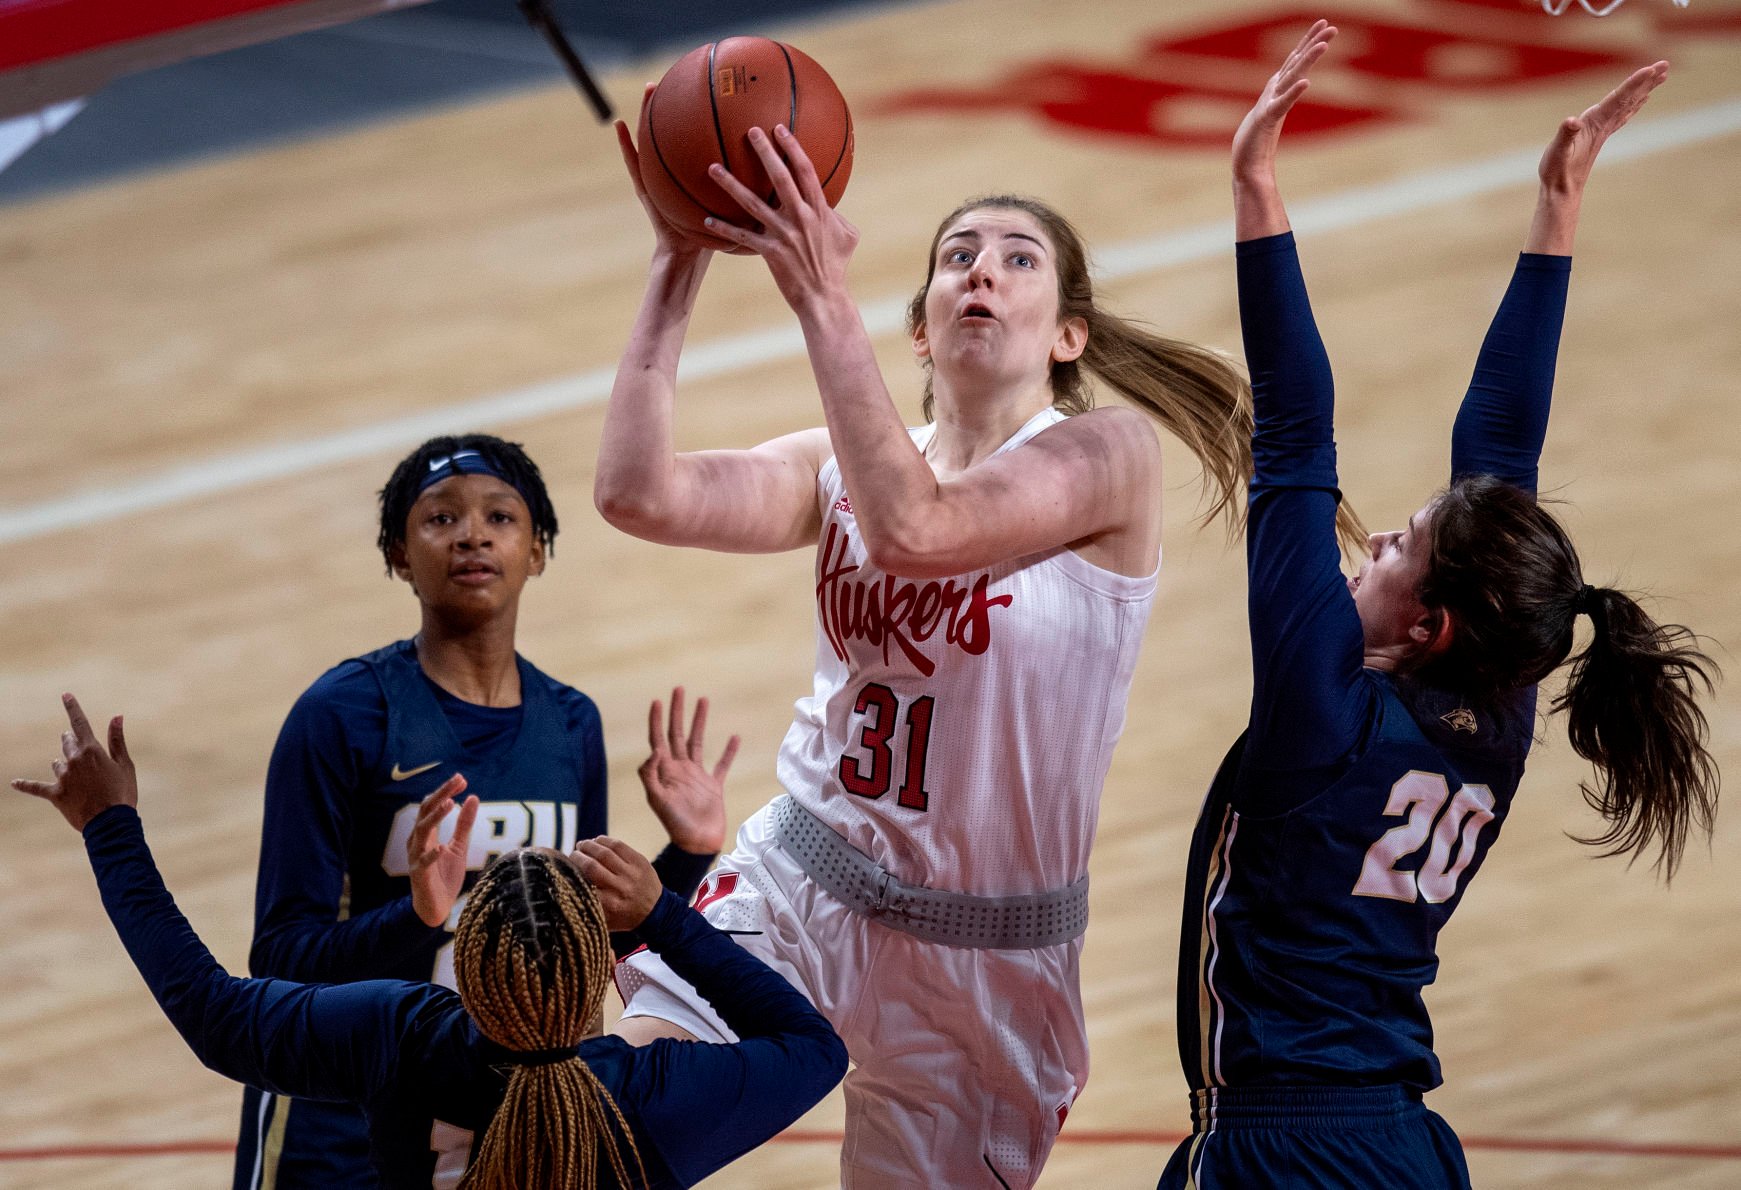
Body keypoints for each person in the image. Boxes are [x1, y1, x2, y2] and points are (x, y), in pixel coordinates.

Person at [594, 86, 1365, 1188]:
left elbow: (921, 531)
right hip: (802, 881)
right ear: (921, 327)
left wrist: (820, 296)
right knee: (601, 1136)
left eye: (1016, 259)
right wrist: (678, 260)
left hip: (987, 950)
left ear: (1066, 336)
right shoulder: (842, 464)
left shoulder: (1107, 455)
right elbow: (637, 492)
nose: (981, 271)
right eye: (958, 255)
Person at [1162, 27, 1718, 1188]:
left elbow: (1292, 434)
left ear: (1428, 626)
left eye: (1397, 546)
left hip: (1280, 1148)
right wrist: (1556, 208)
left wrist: (1254, 183)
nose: (1369, 538)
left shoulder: (1325, 713)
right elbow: (1497, 454)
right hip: (1405, 1146)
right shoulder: (1495, 714)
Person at [12, 694, 847, 1190]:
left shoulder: (404, 1034)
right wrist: (664, 910)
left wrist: (109, 826)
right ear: (601, 968)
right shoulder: (657, 1094)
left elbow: (211, 1011)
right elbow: (813, 1048)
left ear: (467, 972)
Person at [235, 433, 733, 1188]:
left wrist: (689, 851)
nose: (472, 533)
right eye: (439, 519)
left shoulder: (570, 723)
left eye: (501, 517)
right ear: (399, 556)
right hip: (339, 1109)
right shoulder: (340, 714)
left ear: (537, 550)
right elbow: (278, 959)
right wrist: (414, 913)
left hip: (496, 1112)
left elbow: (577, 937)